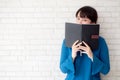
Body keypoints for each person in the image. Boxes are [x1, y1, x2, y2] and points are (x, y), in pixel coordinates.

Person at [59, 6, 110, 80]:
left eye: (84, 20)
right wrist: (72, 56)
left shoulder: (101, 42)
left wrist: (92, 56)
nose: (79, 22)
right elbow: (63, 69)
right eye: (78, 18)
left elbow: (106, 70)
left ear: (93, 23)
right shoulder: (67, 41)